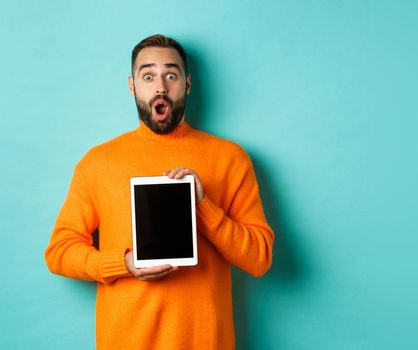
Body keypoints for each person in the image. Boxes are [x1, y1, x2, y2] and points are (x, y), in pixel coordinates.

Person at [44, 34, 274, 349]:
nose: (160, 86)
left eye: (171, 74)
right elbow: (59, 252)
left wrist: (203, 205)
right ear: (132, 85)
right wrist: (123, 263)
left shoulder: (230, 158)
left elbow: (259, 258)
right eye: (148, 75)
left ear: (187, 83)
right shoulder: (97, 163)